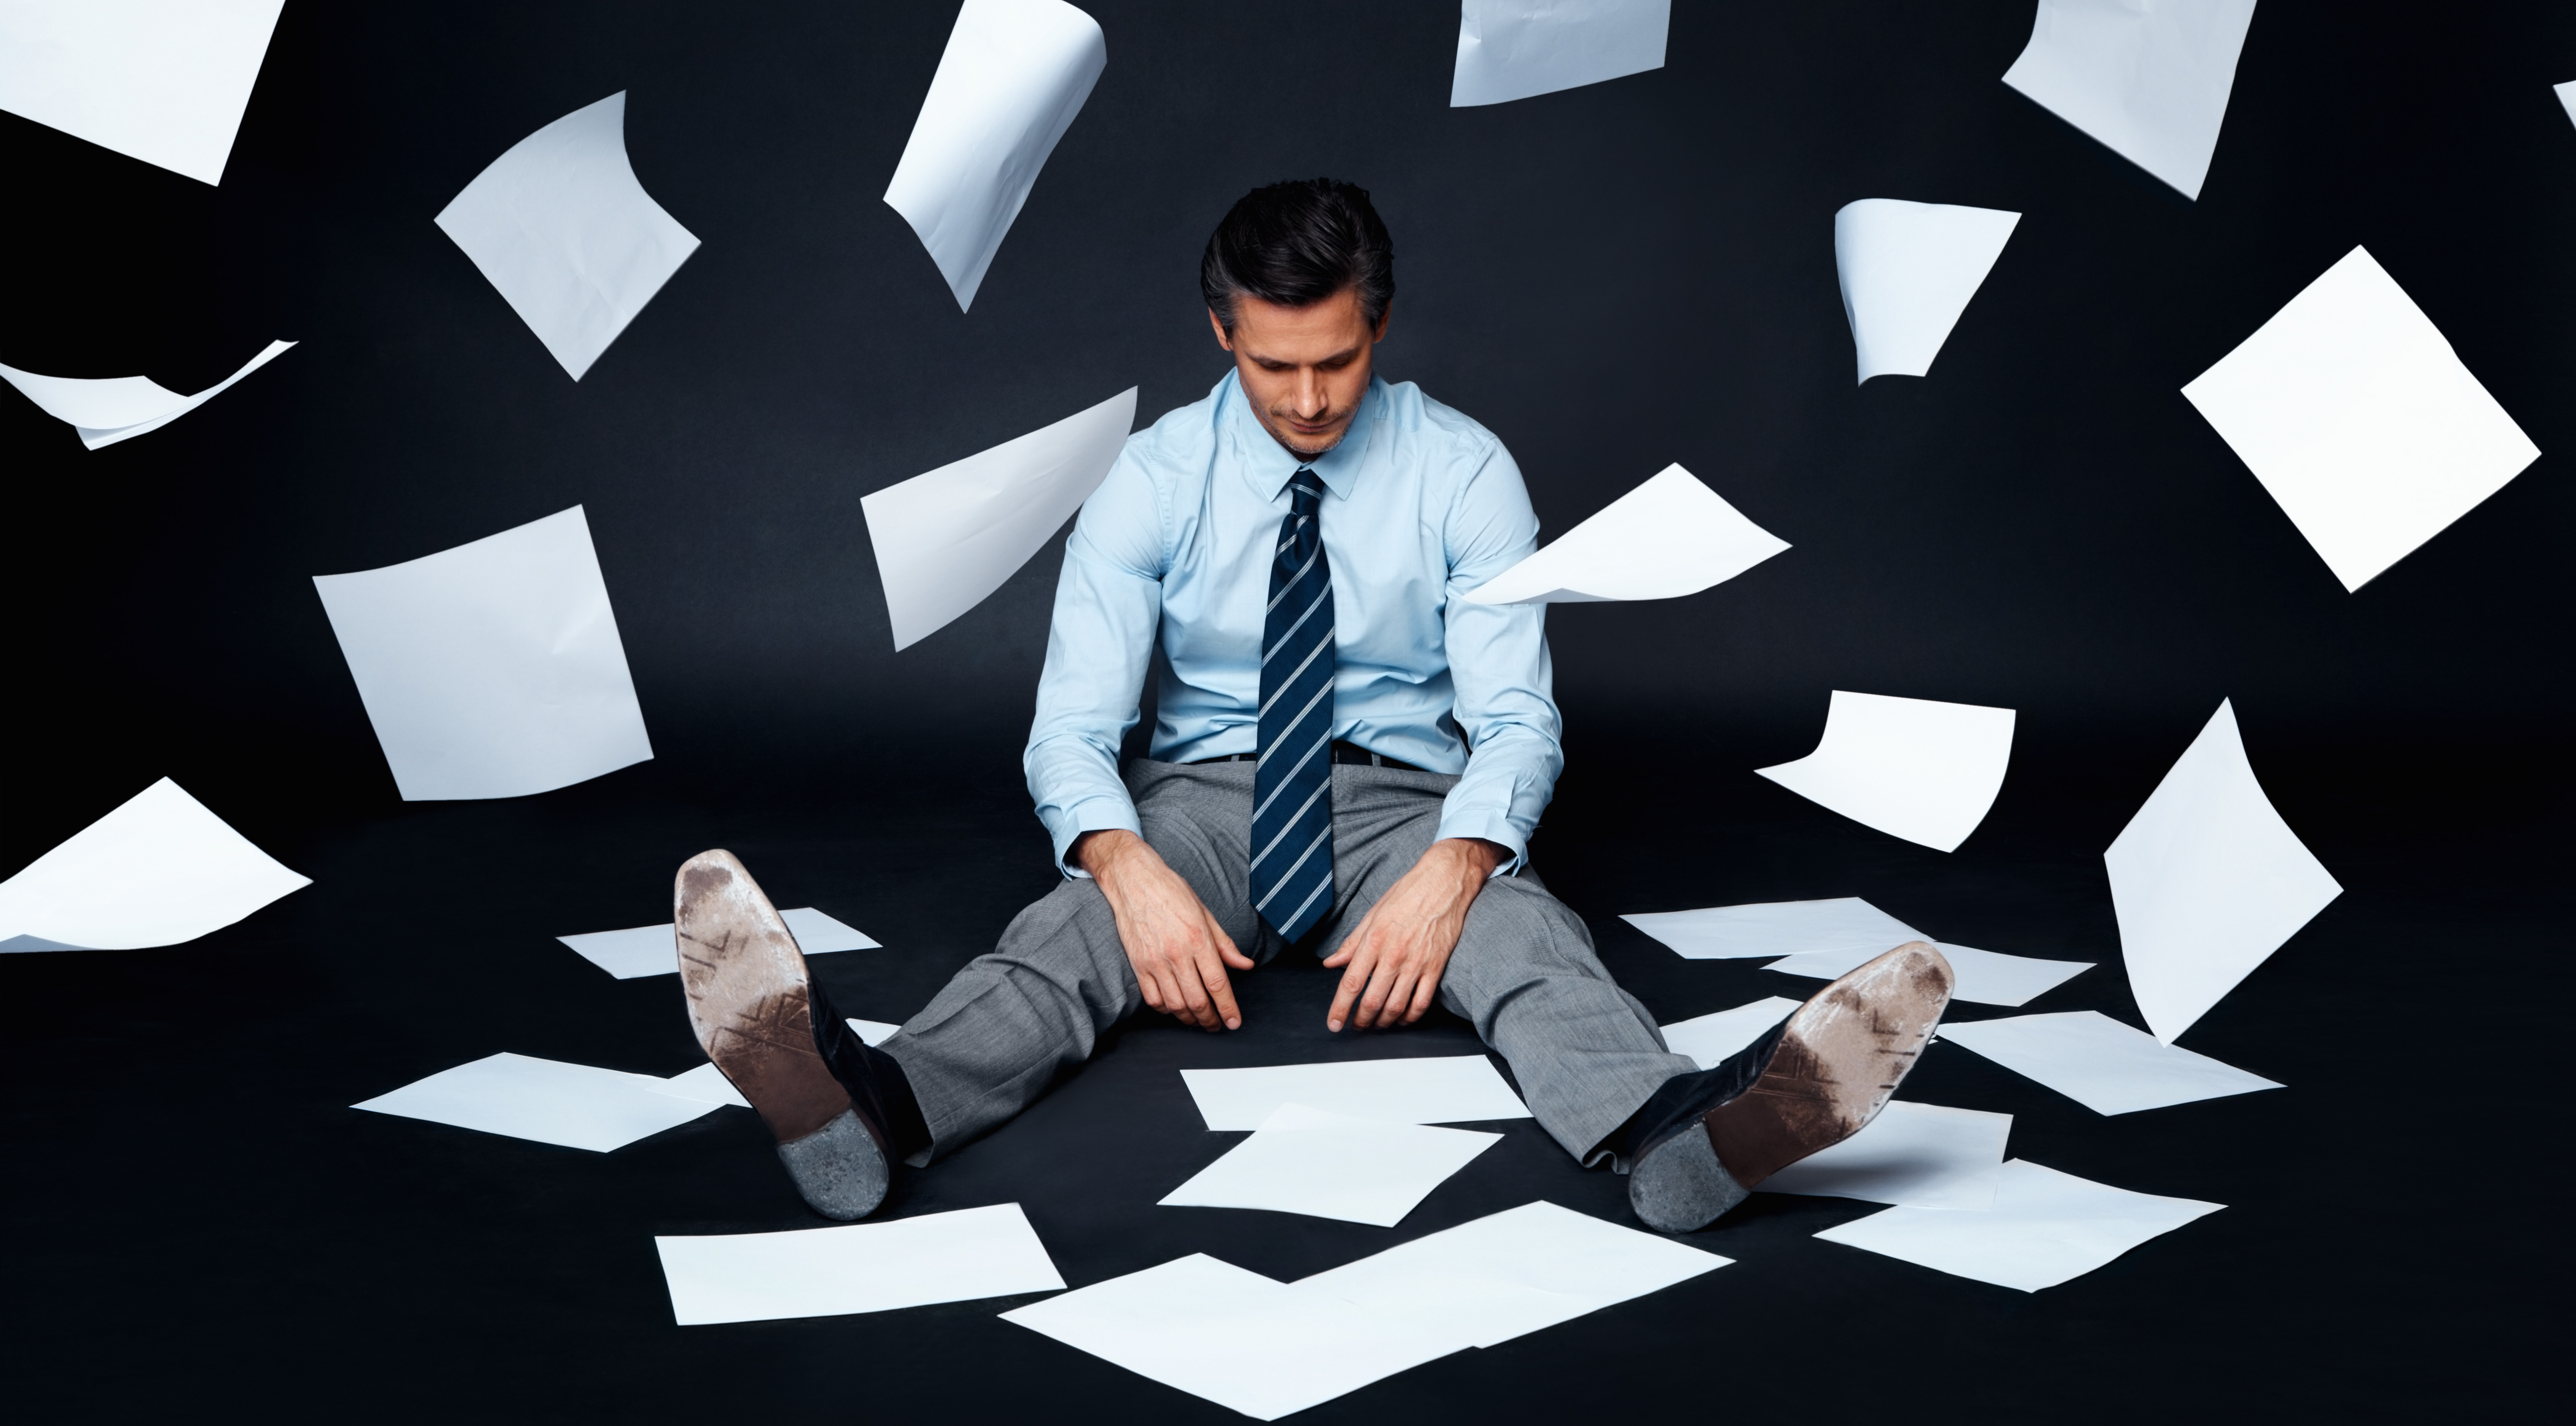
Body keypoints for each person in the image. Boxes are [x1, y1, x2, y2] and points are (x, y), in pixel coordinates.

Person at [670, 179, 1952, 1234]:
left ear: (1379, 326)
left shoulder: (1467, 474)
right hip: (1206, 804)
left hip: (1408, 802)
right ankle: (865, 1115)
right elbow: (1072, 731)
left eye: (1336, 361)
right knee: (1059, 946)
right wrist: (1124, 864)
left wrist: (1459, 865)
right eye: (1273, 364)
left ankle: (1685, 1140)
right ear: (1220, 331)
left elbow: (1514, 721)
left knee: (1528, 948)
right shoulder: (1151, 481)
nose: (1306, 400)